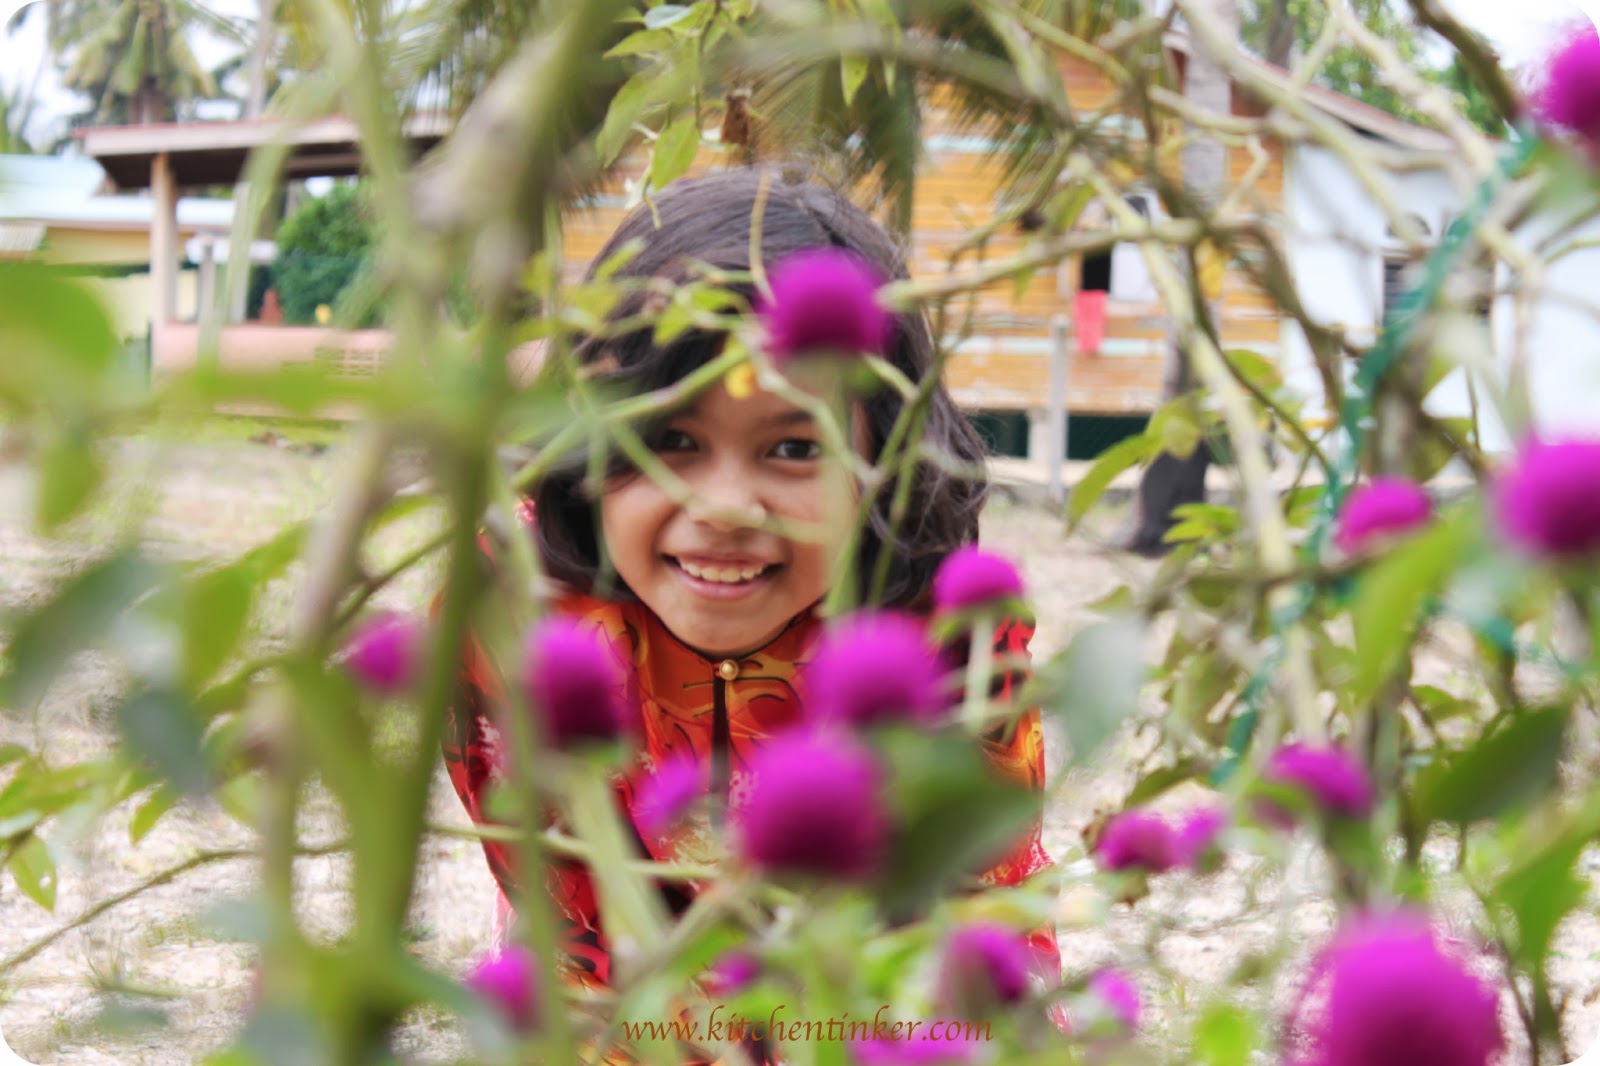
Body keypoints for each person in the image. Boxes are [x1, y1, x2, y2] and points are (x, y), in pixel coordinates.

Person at [440, 167, 1060, 1053]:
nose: (727, 507)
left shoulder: (951, 635)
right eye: (671, 439)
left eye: (796, 446)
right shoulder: (511, 615)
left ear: (886, 461)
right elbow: (570, 925)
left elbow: (970, 926)